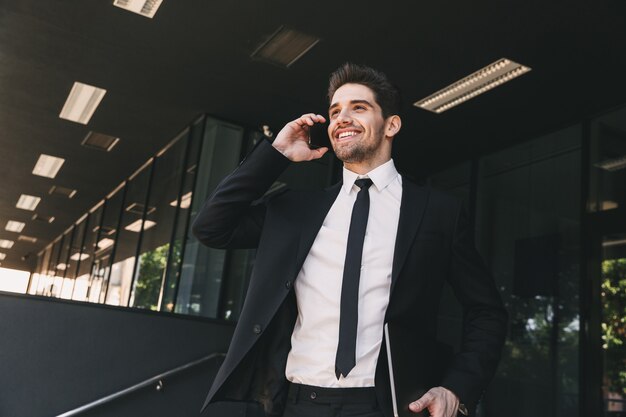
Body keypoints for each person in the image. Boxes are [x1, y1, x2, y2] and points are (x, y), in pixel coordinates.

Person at [193, 63, 508, 417]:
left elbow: (487, 312)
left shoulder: (437, 212)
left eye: (358, 107)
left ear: (391, 125)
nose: (342, 117)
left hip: (388, 404)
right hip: (297, 403)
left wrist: (456, 389)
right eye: (334, 111)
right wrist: (275, 154)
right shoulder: (295, 210)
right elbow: (212, 227)